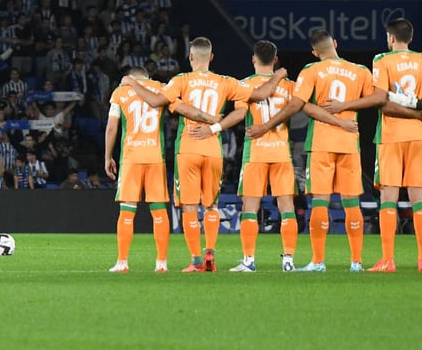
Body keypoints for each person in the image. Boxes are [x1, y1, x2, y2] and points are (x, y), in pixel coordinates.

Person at [122, 37, 283, 272]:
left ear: (190, 57)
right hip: (213, 149)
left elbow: (155, 100)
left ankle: (196, 260)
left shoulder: (181, 80)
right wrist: (278, 75)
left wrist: (131, 83)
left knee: (189, 207)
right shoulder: (225, 81)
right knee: (211, 206)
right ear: (211, 57)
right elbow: (256, 98)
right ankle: (210, 254)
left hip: (187, 149)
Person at [274, 29, 386, 272]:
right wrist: (347, 108)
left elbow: (301, 105)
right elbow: (378, 98)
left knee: (320, 202)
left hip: (321, 144)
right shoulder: (359, 70)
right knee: (352, 203)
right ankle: (356, 262)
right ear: (335, 43)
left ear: (314, 52)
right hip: (349, 143)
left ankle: (318, 261)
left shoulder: (311, 70)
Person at [228, 42, 315, 272]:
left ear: (253, 59)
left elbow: (240, 113)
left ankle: (248, 261)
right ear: (275, 60)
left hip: (255, 152)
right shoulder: (290, 86)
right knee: (287, 206)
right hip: (281, 152)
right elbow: (306, 107)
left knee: (250, 206)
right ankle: (288, 261)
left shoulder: (244, 85)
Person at [104, 67, 172, 273]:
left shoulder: (120, 91)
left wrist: (108, 157)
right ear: (147, 77)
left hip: (131, 157)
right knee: (159, 210)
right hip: (155, 156)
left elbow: (112, 128)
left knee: (127, 209)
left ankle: (122, 262)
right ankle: (161, 263)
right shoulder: (161, 87)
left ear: (131, 77)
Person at [367, 19, 422, 272]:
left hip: (390, 136)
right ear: (410, 38)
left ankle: (388, 260)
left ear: (390, 38)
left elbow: (382, 102)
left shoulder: (382, 59)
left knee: (388, 196)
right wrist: (416, 114)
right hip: (418, 136)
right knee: (418, 198)